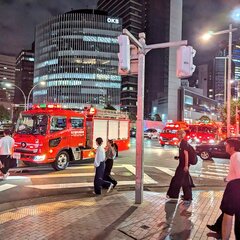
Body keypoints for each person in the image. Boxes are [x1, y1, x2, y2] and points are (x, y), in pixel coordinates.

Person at [207, 139, 240, 235]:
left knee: (228, 213)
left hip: (235, 189)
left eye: (227, 145)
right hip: (234, 187)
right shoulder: (235, 156)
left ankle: (223, 234)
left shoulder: (236, 156)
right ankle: (219, 229)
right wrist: (228, 178)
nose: (225, 146)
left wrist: (231, 182)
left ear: (232, 147)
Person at [166, 129, 194, 202]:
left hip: (183, 165)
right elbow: (183, 154)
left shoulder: (183, 143)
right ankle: (187, 196)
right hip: (183, 164)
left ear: (180, 135)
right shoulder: (182, 142)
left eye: (177, 134)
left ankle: (174, 195)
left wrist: (186, 165)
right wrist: (178, 157)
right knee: (185, 180)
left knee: (176, 180)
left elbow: (186, 154)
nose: (176, 135)